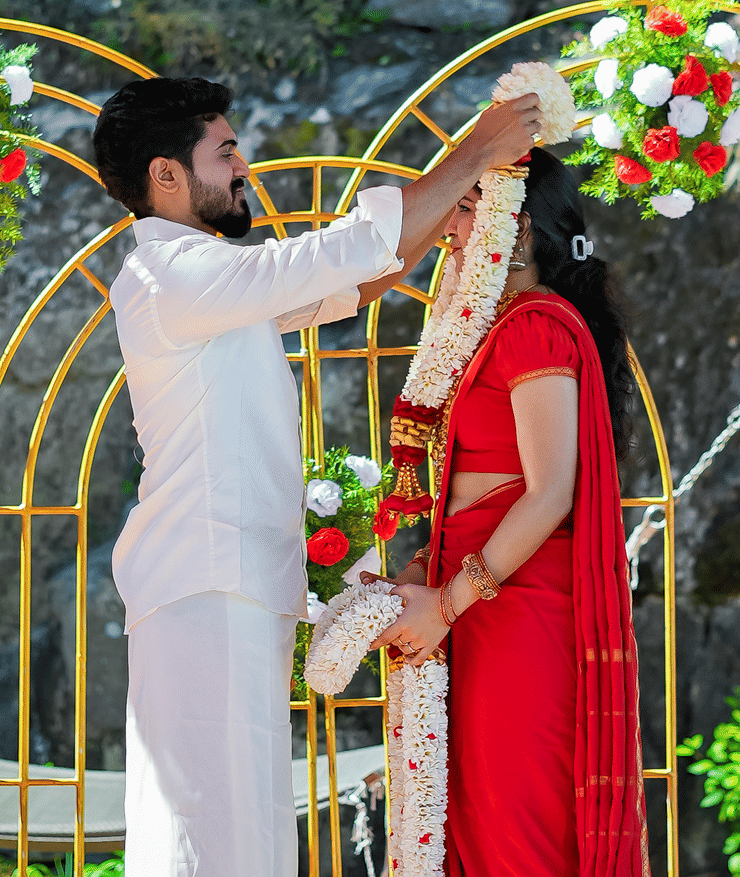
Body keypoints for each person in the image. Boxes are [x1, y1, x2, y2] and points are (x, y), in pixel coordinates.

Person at [90, 76, 542, 877]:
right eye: (224, 152)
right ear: (167, 175)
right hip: (204, 582)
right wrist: (479, 148)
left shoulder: (211, 280)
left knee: (242, 829)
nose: (244, 167)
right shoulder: (174, 278)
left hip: (227, 586)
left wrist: (460, 186)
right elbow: (340, 255)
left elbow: (358, 280)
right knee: (209, 832)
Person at [367, 148, 648, 877]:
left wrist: (448, 603)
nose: (450, 231)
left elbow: (551, 491)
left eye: (466, 209)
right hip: (485, 603)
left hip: (511, 610)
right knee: (484, 821)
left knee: (516, 829)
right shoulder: (503, 326)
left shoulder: (533, 327)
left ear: (515, 233)